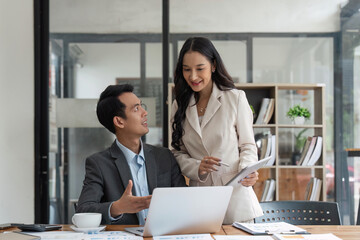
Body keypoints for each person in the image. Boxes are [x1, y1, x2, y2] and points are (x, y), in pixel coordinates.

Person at [170, 37, 263, 224]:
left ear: (213, 65)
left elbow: (247, 145)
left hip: (235, 197)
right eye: (187, 69)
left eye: (200, 68)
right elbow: (176, 153)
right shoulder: (178, 105)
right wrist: (197, 167)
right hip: (199, 200)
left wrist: (247, 170)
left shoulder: (235, 98)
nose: (193, 76)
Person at [77, 84, 186, 225]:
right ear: (119, 121)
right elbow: (83, 210)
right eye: (136, 109)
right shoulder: (99, 164)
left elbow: (185, 200)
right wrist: (117, 207)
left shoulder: (164, 156)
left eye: (141, 106)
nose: (144, 112)